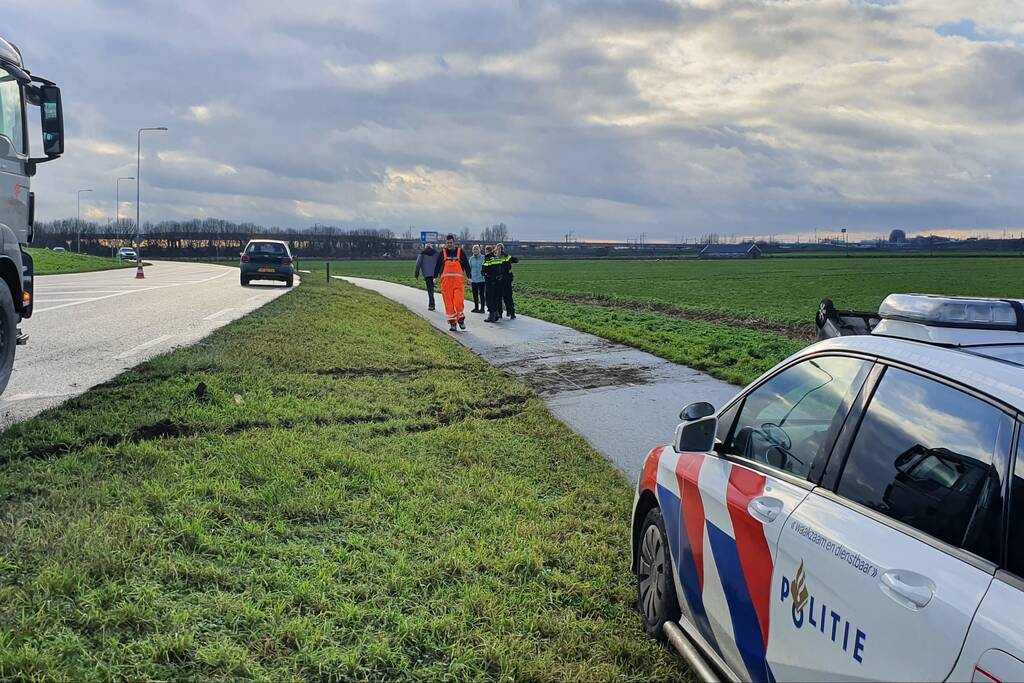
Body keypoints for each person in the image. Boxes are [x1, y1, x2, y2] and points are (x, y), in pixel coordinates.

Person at [433, 234, 471, 331]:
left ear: (454, 242)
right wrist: (435, 277)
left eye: (451, 243)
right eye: (447, 243)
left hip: (458, 283)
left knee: (458, 302)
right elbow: (437, 265)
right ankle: (452, 323)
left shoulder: (460, 252)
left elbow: (466, 264)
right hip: (446, 283)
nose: (449, 244)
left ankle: (461, 319)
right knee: (448, 303)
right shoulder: (443, 253)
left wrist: (469, 277)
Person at [494, 242, 519, 319]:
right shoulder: (501, 257)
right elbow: (516, 260)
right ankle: (508, 313)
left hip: (502, 280)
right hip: (503, 280)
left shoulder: (500, 257)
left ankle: (505, 313)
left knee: (502, 298)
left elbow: (516, 260)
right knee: (505, 298)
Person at [413, 243, 440, 310]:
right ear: (431, 247)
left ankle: (431, 305)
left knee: (430, 289)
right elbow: (440, 263)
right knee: (432, 288)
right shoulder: (436, 253)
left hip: (427, 274)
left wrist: (416, 274)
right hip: (435, 274)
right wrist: (441, 273)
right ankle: (432, 303)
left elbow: (417, 264)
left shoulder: (422, 254)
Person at [482, 245, 503, 323]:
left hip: (489, 282)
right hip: (497, 282)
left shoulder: (487, 259)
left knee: (489, 299)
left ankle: (491, 315)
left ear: (486, 251)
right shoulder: (497, 258)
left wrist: (484, 274)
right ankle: (496, 313)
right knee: (495, 298)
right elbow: (501, 269)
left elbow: (483, 271)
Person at [468, 244, 486, 313]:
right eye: (474, 249)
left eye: (476, 249)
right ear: (472, 250)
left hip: (482, 279)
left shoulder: (483, 258)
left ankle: (482, 308)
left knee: (482, 294)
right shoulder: (471, 259)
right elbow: (469, 269)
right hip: (474, 280)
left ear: (479, 250)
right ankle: (476, 307)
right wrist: (469, 278)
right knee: (475, 294)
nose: (475, 250)